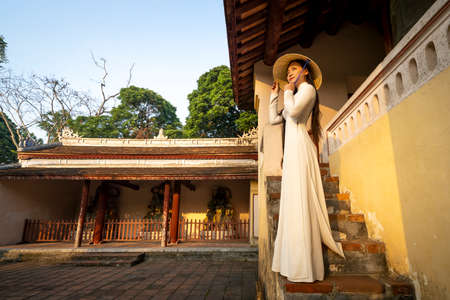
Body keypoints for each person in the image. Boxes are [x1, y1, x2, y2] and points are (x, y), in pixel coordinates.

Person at [269, 53, 345, 283]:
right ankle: (291, 262)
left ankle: (305, 268)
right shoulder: (293, 95)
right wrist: (274, 97)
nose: (289, 73)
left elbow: (294, 113)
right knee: (292, 202)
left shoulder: (308, 91)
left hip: (301, 149)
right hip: (291, 151)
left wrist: (288, 92)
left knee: (301, 200)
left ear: (305, 71)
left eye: (294, 69)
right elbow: (274, 119)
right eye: (288, 71)